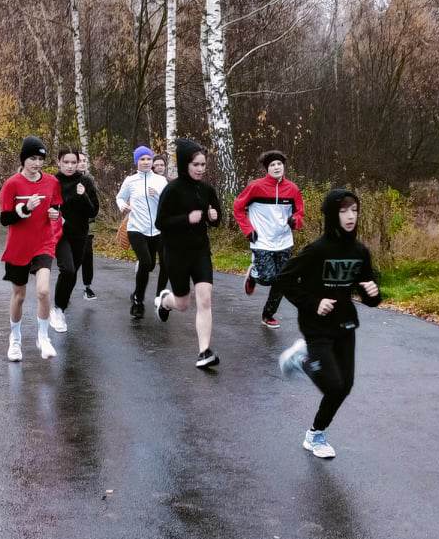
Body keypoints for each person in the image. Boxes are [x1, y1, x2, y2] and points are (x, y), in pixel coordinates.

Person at [275, 188, 383, 459]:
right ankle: (304, 359)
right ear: (333, 215)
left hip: (345, 324)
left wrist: (373, 293)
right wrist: (314, 303)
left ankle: (315, 434)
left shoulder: (360, 251)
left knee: (345, 386)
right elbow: (284, 279)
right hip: (316, 325)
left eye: (354, 210)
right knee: (333, 386)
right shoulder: (317, 250)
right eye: (343, 211)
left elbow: (369, 295)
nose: (350, 216)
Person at [153, 138, 224, 369]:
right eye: (196, 165)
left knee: (205, 298)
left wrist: (214, 218)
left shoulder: (207, 189)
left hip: (200, 251)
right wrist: (186, 219)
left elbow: (216, 218)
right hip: (176, 253)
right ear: (186, 164)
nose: (200, 169)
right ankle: (165, 302)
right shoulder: (172, 189)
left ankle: (204, 352)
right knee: (183, 304)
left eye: (203, 164)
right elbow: (160, 222)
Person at [0, 136, 63, 361]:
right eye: (32, 158)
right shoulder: (12, 184)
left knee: (43, 291)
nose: (37, 163)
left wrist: (55, 214)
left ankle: (43, 337)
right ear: (23, 159)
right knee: (19, 296)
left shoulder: (52, 182)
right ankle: (15, 339)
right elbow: (5, 219)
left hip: (43, 243)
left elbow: (56, 207)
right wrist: (25, 208)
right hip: (18, 247)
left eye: (40, 159)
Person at [232, 149, 306, 329]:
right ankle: (254, 274)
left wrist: (295, 220)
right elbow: (238, 208)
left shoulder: (292, 189)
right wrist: (248, 230)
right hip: (262, 240)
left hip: (284, 241)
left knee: (282, 280)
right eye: (272, 165)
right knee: (267, 278)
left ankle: (268, 314)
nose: (276, 167)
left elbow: (300, 212)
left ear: (284, 166)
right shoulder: (255, 187)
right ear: (267, 169)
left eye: (279, 164)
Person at [115, 146, 168, 319]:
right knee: (145, 262)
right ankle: (138, 300)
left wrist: (157, 195)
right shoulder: (130, 180)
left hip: (157, 230)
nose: (145, 162)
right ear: (136, 161)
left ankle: (145, 296)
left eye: (148, 159)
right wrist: (123, 206)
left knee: (153, 264)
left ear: (152, 161)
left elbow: (168, 203)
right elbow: (120, 197)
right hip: (136, 228)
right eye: (142, 159)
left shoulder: (161, 180)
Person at [51, 148, 100, 331]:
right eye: (66, 162)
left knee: (72, 273)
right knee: (68, 269)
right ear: (59, 162)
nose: (70, 166)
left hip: (80, 234)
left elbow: (93, 211)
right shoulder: (53, 182)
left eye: (74, 162)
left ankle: (61, 305)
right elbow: (46, 206)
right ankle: (58, 309)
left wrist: (83, 195)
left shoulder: (85, 181)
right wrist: (52, 213)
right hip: (60, 234)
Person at [78, 152, 98, 300]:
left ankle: (87, 287)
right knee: (71, 260)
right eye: (79, 161)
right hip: (69, 227)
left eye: (85, 160)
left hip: (87, 225)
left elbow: (95, 204)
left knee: (87, 255)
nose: (83, 163)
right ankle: (66, 286)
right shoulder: (65, 180)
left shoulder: (90, 180)